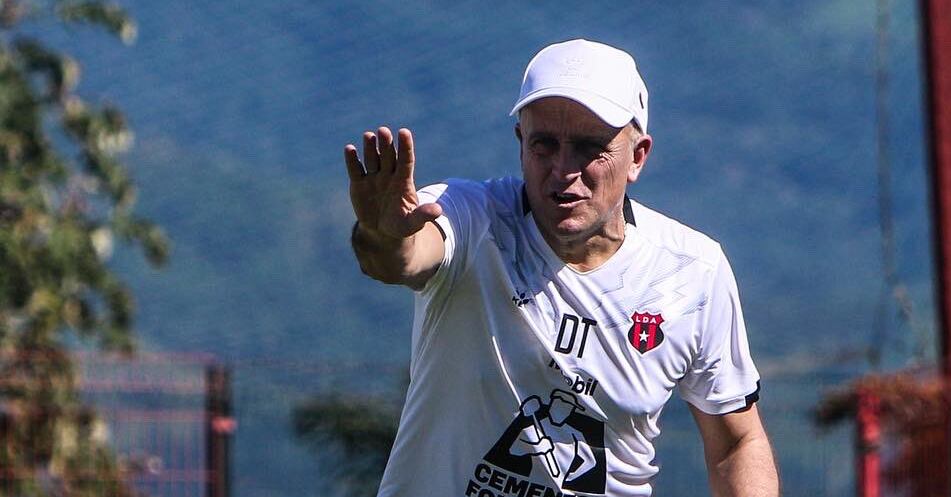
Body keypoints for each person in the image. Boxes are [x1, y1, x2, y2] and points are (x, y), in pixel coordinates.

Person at [344, 38, 779, 497]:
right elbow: (405, 256)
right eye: (544, 145)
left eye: (590, 148)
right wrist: (383, 234)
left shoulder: (692, 272)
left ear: (637, 157)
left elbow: (736, 442)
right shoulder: (471, 217)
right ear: (521, 143)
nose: (563, 169)